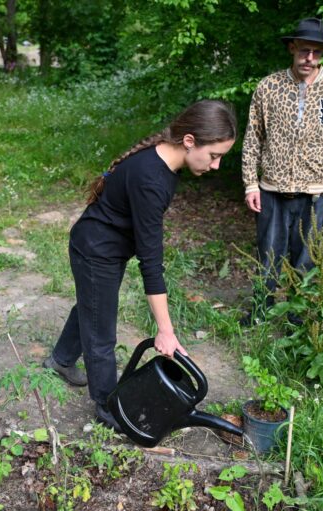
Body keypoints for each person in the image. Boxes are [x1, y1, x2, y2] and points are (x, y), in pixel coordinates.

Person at [43, 100, 237, 431]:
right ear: (189, 141)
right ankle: (106, 407)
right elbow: (152, 262)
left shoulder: (163, 163)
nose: (216, 166)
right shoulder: (152, 178)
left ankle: (60, 360)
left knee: (93, 307)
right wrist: (166, 330)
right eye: (214, 155)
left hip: (105, 246)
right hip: (96, 250)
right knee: (101, 331)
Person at [240, 17, 323, 326]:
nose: (309, 58)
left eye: (316, 53)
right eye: (304, 50)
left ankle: (298, 321)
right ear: (292, 48)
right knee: (267, 255)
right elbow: (253, 136)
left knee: (306, 259)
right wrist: (250, 183)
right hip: (272, 188)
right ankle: (259, 313)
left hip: (315, 191)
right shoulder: (268, 87)